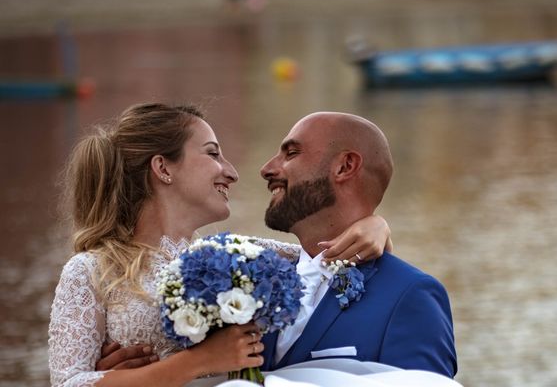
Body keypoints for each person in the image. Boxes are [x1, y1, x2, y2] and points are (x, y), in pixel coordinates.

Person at [48, 103, 391, 386]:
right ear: (163, 168)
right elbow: (68, 383)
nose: (231, 172)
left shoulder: (231, 255)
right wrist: (199, 361)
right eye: (213, 154)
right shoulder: (91, 271)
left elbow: (322, 259)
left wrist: (375, 225)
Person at [259, 112, 457, 377]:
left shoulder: (409, 295)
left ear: (345, 166)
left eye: (291, 153)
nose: (267, 169)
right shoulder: (249, 280)